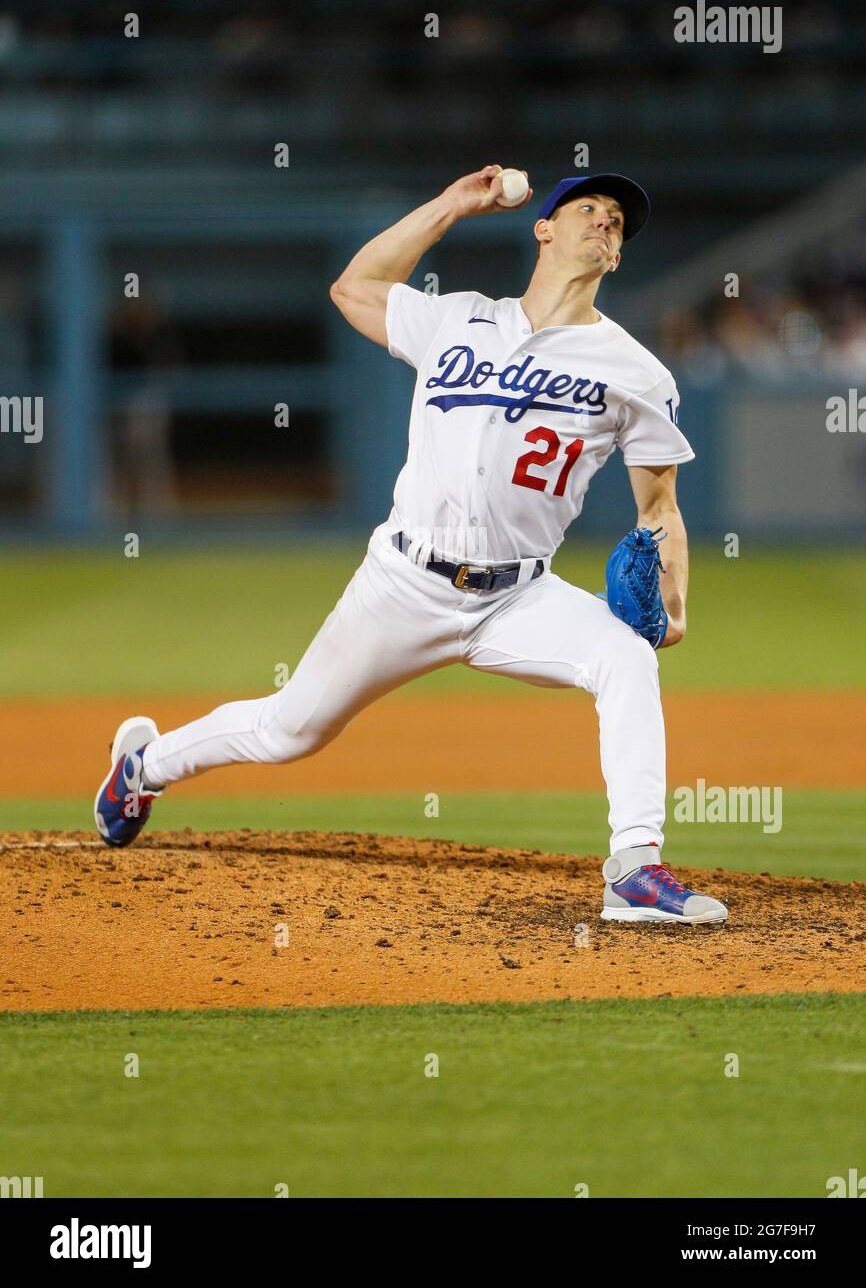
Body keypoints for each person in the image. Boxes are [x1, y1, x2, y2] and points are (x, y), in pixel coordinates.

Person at [94, 165, 727, 925]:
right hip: (403, 581)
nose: (604, 222)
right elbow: (352, 288)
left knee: (624, 658)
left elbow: (660, 508)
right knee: (290, 729)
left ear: (617, 255)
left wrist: (676, 608)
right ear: (544, 228)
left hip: (518, 595)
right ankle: (144, 766)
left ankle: (635, 869)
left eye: (617, 222)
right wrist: (453, 206)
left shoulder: (637, 372)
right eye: (587, 208)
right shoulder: (454, 319)